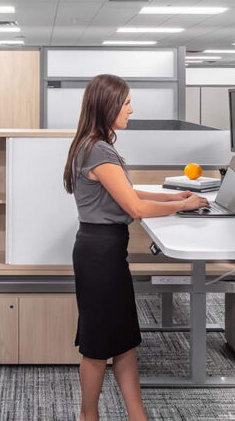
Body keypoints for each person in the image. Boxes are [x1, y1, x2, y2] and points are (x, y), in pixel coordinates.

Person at [63, 74, 209, 421]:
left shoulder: (95, 144)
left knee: (125, 343)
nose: (131, 109)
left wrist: (173, 196)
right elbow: (136, 208)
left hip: (107, 251)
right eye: (126, 102)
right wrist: (182, 206)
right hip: (99, 255)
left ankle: (137, 416)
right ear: (108, 105)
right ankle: (88, 416)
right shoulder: (97, 149)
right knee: (98, 348)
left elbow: (131, 192)